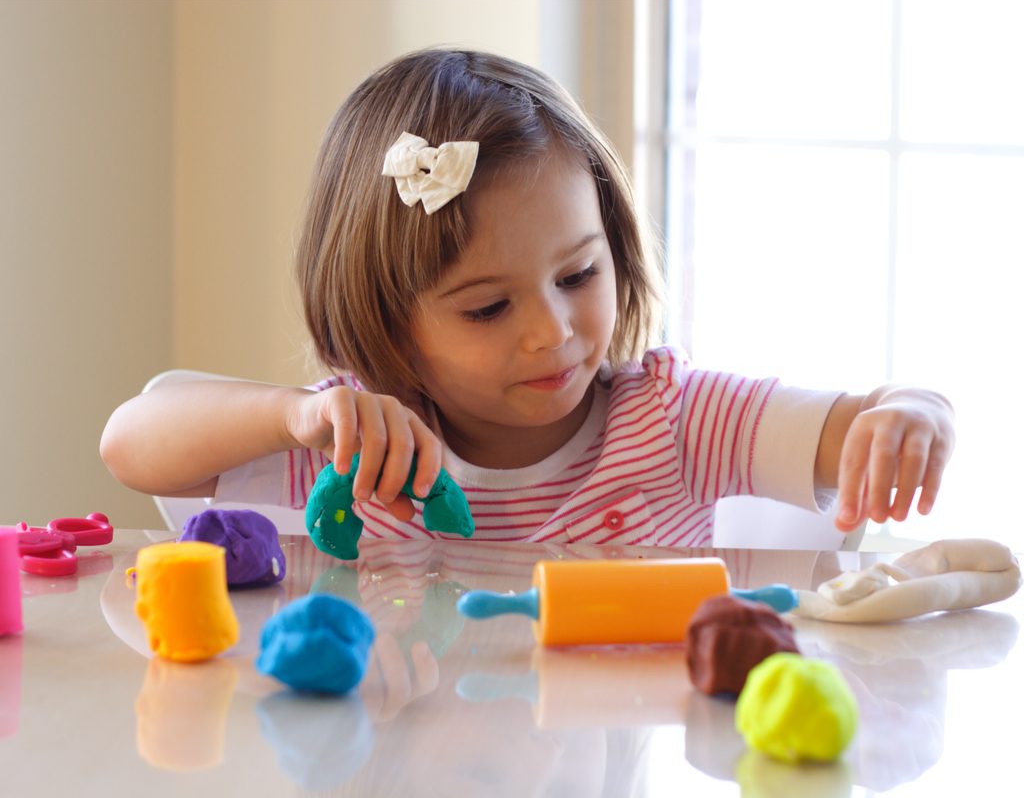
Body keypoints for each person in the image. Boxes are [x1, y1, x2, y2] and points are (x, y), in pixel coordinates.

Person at [100, 48, 954, 547]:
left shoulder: (673, 421)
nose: (554, 333)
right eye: (487, 308)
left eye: (578, 276)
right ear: (390, 326)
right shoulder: (357, 445)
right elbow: (130, 442)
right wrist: (294, 415)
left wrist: (913, 412)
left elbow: (860, 423)